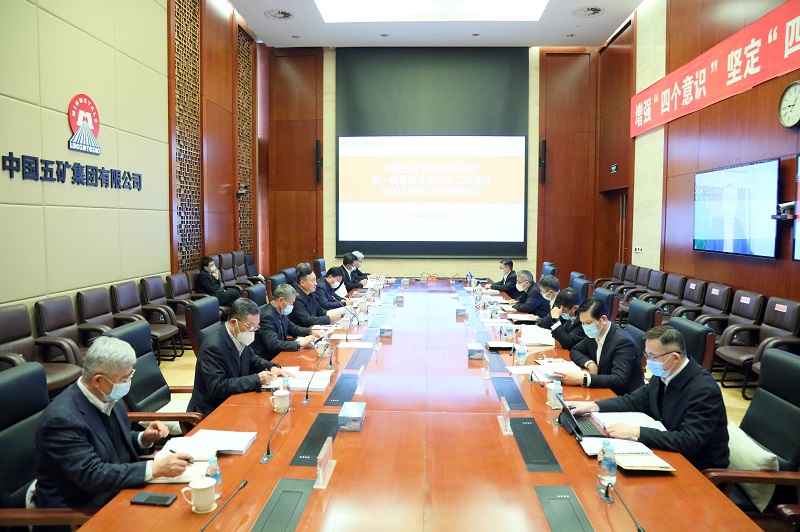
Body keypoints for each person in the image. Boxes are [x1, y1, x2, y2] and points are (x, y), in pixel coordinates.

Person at [34, 337, 193, 510]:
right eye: (124, 378)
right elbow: (92, 475)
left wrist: (143, 438)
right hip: (82, 506)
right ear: (98, 380)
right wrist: (154, 468)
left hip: (118, 487)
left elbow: (107, 442)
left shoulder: (106, 395)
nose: (128, 382)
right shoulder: (62, 420)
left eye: (130, 375)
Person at [567, 326, 729, 470]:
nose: (649, 362)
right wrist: (592, 406)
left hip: (695, 467)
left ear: (674, 357)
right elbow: (633, 400)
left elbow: (689, 441)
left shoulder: (704, 390)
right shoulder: (665, 373)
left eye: (653, 357)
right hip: (666, 450)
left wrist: (636, 432)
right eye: (647, 355)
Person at [189, 298, 294, 416]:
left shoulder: (239, 335)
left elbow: (253, 359)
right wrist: (257, 379)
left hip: (236, 400)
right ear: (233, 322)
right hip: (213, 410)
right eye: (250, 326)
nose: (253, 331)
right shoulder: (213, 347)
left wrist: (272, 367)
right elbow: (218, 387)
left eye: (256, 326)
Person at [553, 297, 644, 396]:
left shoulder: (623, 342)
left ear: (603, 319)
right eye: (582, 323)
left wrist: (583, 379)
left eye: (588, 323)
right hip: (603, 388)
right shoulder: (595, 333)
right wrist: (590, 364)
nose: (585, 327)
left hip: (623, 396)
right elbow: (575, 350)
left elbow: (618, 379)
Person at [252, 284, 323, 361]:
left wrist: (311, 332)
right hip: (269, 359)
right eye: (291, 303)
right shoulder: (267, 316)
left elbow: (293, 328)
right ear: (281, 300)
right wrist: (299, 344)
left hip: (280, 353)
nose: (292, 306)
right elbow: (273, 344)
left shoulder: (281, 310)